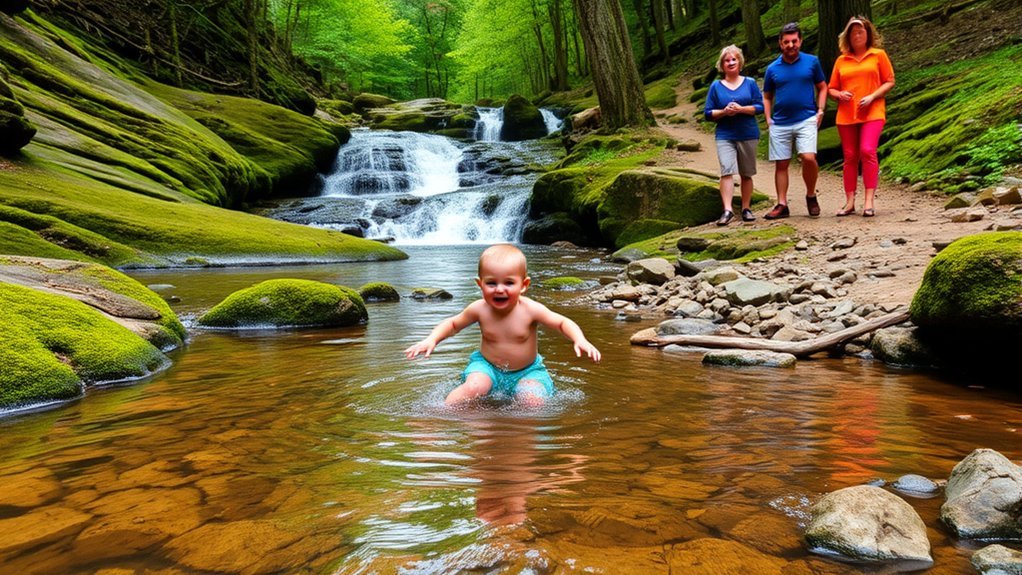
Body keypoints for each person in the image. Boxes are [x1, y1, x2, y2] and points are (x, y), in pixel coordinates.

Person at [404, 244, 601, 406]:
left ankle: (520, 436)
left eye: (508, 283)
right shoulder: (479, 309)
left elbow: (561, 322)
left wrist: (579, 339)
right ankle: (438, 417)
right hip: (487, 367)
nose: (500, 289)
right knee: (474, 387)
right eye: (491, 283)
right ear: (480, 284)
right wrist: (432, 339)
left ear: (524, 285)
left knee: (531, 400)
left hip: (528, 370)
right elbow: (453, 324)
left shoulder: (531, 310)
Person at [828, 16, 895, 218]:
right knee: (850, 157)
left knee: (867, 151)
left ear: (868, 34)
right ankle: (849, 202)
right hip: (846, 115)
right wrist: (839, 94)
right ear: (847, 37)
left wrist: (873, 95)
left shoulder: (878, 55)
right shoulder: (841, 60)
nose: (857, 35)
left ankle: (868, 201)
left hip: (872, 111)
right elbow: (831, 88)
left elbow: (890, 81)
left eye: (860, 32)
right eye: (853, 33)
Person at [762, 22, 828, 220]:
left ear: (800, 41)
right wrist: (768, 119)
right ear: (780, 44)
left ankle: (811, 195)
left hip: (806, 119)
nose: (791, 45)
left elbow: (823, 87)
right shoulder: (772, 68)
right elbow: (767, 95)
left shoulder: (812, 62)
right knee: (781, 164)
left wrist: (821, 110)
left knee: (808, 157)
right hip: (780, 122)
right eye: (786, 42)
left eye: (794, 41)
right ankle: (782, 204)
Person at [704, 44, 764, 226]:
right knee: (727, 171)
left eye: (734, 59)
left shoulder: (750, 83)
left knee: (747, 173)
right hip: (725, 134)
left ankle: (746, 208)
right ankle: (728, 210)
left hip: (748, 133)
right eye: (727, 60)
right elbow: (707, 113)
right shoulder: (715, 86)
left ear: (740, 62)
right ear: (722, 65)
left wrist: (741, 109)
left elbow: (760, 107)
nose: (730, 63)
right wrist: (724, 112)